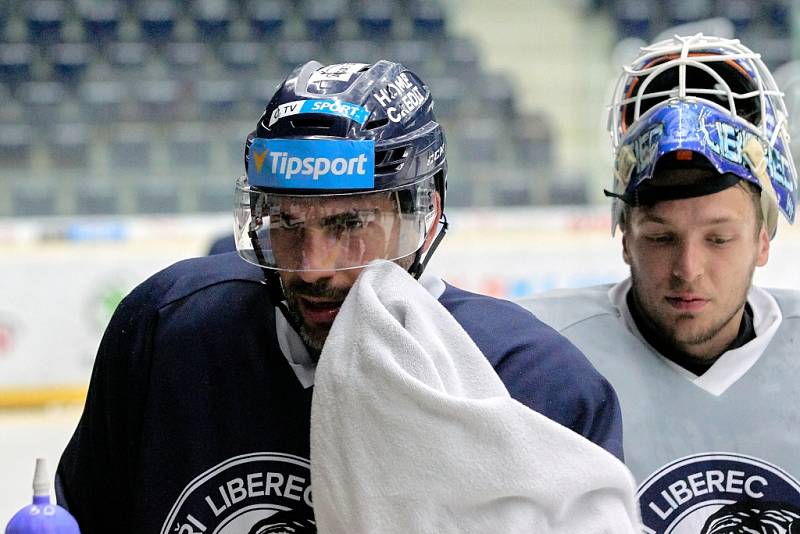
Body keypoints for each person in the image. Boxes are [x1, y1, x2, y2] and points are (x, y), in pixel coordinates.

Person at [55, 60, 625, 533]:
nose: (311, 267)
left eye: (349, 224)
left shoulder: (535, 381)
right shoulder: (167, 329)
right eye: (285, 222)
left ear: (424, 217)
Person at [519, 34, 800, 533]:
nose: (687, 269)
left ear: (763, 240)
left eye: (718, 239)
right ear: (624, 237)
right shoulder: (539, 354)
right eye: (660, 237)